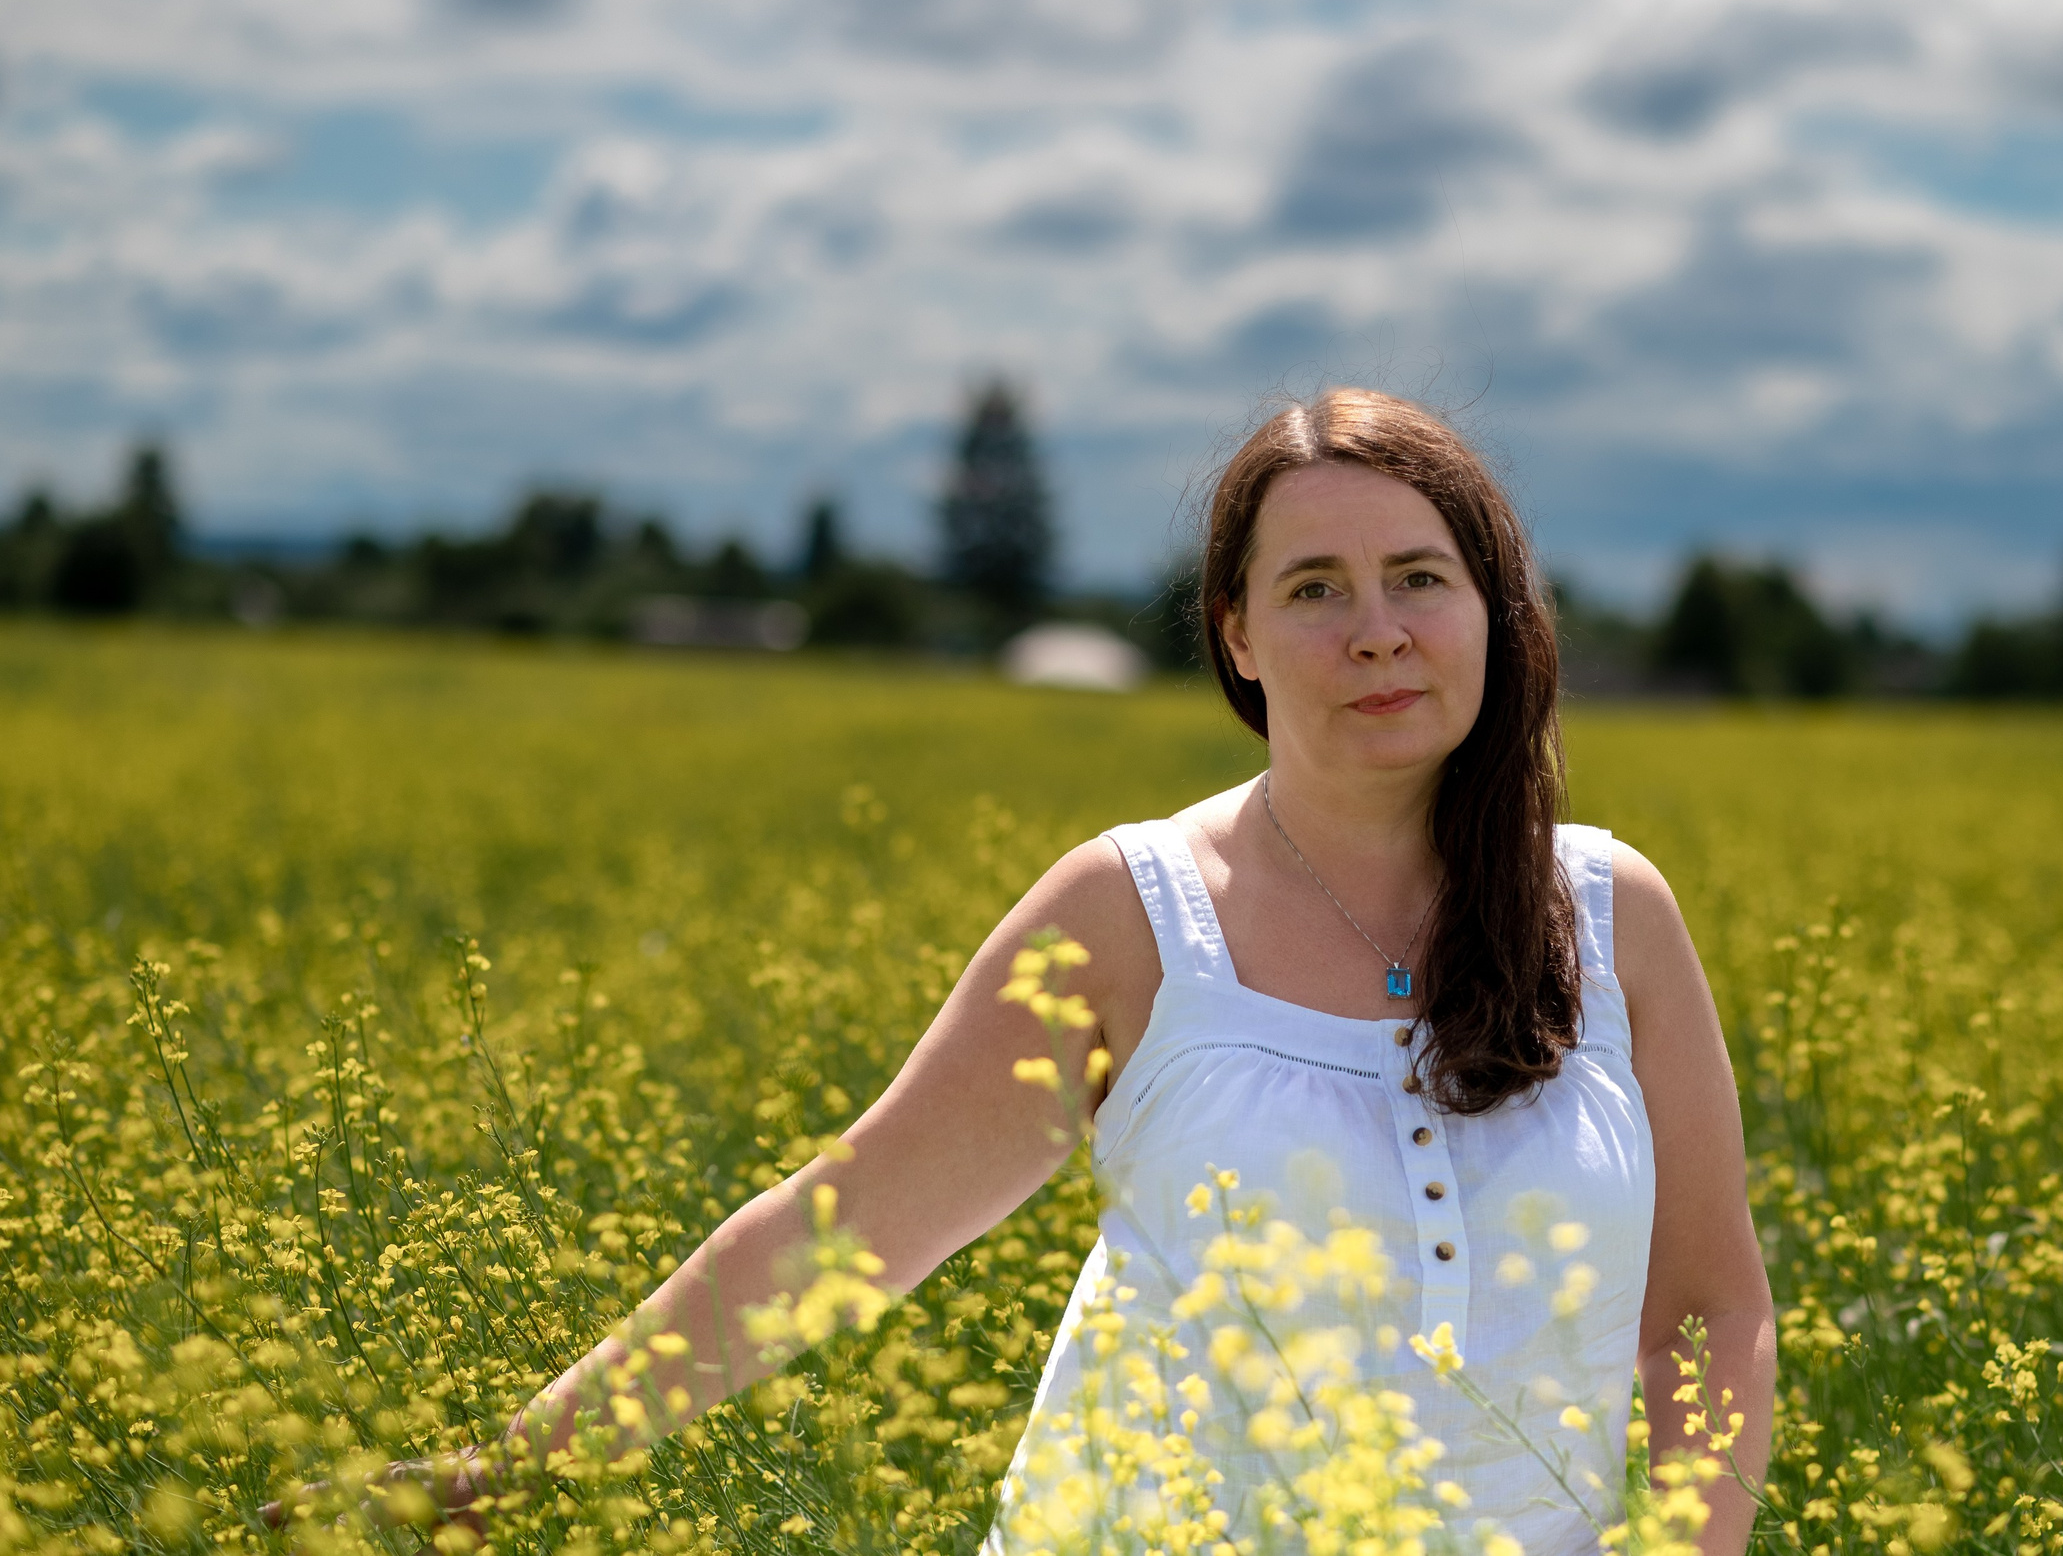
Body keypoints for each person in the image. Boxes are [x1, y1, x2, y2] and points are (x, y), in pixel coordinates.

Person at [286, 389, 1775, 1552]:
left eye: (1418, 578)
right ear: (1237, 636)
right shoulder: (1135, 918)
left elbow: (1705, 1310)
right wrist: (513, 1466)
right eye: (1314, 588)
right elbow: (847, 1223)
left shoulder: (1610, 916)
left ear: (1495, 615)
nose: (1376, 631)